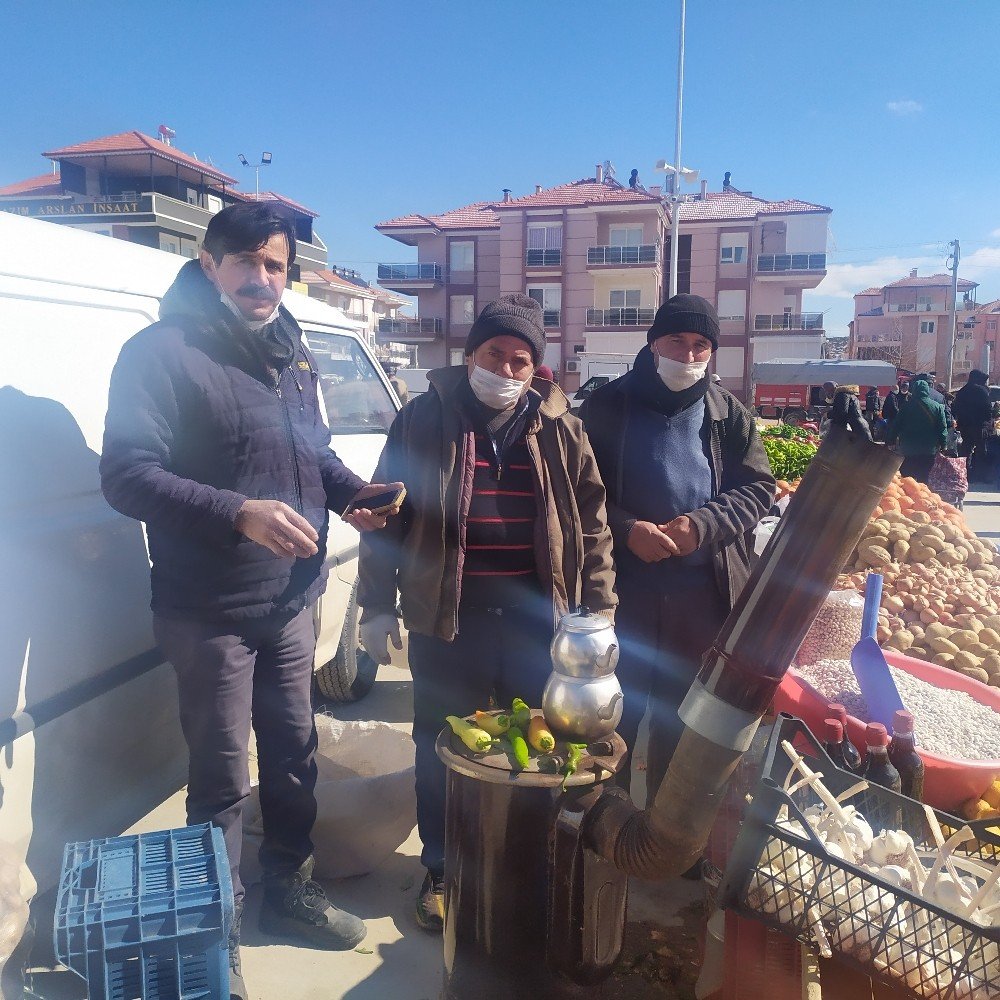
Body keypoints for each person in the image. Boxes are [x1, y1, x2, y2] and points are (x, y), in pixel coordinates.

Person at [100, 203, 401, 999]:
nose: (263, 279)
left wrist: (354, 496)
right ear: (209, 265)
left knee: (296, 752)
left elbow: (312, 452)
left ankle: (291, 890)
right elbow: (127, 474)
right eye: (247, 262)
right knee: (224, 778)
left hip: (292, 597)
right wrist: (238, 510)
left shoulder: (291, 350)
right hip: (210, 611)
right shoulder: (160, 353)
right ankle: (217, 931)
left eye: (275, 265)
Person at [357, 294, 616, 932]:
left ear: (536, 369)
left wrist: (601, 610)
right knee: (441, 746)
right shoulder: (422, 419)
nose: (505, 368)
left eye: (520, 359)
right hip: (449, 622)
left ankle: (524, 861)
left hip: (539, 627)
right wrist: (375, 605)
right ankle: (443, 871)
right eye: (494, 353)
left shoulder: (561, 427)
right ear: (470, 354)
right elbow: (384, 516)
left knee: (539, 747)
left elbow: (595, 523)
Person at [581, 294, 775, 808]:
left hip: (700, 598)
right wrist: (627, 529)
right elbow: (578, 490)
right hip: (622, 594)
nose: (688, 356)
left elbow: (758, 489)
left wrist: (701, 525)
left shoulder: (728, 413)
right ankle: (604, 828)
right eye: (677, 342)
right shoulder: (606, 406)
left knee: (681, 720)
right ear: (653, 343)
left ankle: (664, 839)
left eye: (700, 346)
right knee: (610, 714)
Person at [886, 378, 948, 483]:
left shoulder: (906, 406)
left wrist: (891, 441)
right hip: (928, 449)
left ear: (914, 390)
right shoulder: (937, 407)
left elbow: (896, 425)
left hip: (908, 449)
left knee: (907, 481)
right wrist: (944, 444)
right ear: (927, 390)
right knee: (924, 478)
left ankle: (909, 497)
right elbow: (942, 428)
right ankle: (922, 498)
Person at [952, 369, 992, 483]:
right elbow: (988, 409)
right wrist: (988, 423)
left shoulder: (962, 391)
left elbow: (956, 409)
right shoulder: (982, 391)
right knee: (981, 451)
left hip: (965, 426)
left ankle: (965, 475)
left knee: (966, 450)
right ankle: (981, 475)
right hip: (980, 426)